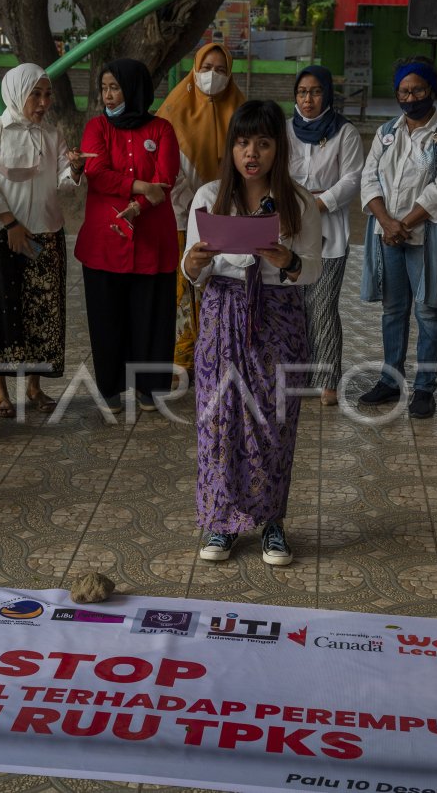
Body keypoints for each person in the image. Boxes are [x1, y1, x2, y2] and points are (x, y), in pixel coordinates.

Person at [181, 100, 323, 565]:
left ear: (278, 148)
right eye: (243, 142)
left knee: (273, 423)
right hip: (221, 317)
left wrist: (288, 262)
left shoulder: (298, 203)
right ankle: (220, 523)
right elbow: (191, 271)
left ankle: (272, 523)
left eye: (263, 142)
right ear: (231, 147)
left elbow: (312, 272)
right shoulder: (208, 197)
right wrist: (195, 264)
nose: (252, 152)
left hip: (278, 318)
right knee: (220, 421)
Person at [0, 63, 86, 417]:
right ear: (17, 92)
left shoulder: (51, 135)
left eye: (47, 94)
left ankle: (35, 386)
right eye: (36, 93)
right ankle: (0, 391)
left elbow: (62, 178)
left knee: (42, 311)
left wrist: (75, 169)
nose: (44, 101)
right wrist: (9, 223)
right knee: (0, 311)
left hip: (45, 233)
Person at [357, 58, 437, 417]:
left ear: (431, 90)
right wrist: (387, 222)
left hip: (425, 236)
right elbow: (369, 178)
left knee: (428, 311)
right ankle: (390, 380)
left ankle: (424, 389)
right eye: (404, 90)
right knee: (393, 309)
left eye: (417, 89)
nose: (410, 96)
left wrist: (405, 223)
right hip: (387, 236)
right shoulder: (387, 130)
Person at [74, 58, 179, 415]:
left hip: (152, 239)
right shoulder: (96, 128)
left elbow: (165, 180)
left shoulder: (162, 130)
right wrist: (138, 187)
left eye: (114, 87)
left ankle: (150, 388)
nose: (107, 94)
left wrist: (138, 205)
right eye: (104, 88)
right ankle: (110, 387)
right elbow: (97, 173)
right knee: (107, 315)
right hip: (105, 240)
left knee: (150, 314)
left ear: (134, 89)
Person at [156, 42, 246, 387]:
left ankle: (216, 355)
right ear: (195, 69)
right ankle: (182, 359)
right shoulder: (173, 110)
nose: (213, 76)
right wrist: (194, 203)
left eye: (221, 70)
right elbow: (164, 169)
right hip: (180, 216)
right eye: (206, 67)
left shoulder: (240, 108)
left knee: (219, 287)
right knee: (183, 288)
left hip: (228, 216)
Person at [286, 64, 362, 407]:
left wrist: (318, 203)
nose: (308, 99)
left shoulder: (344, 132)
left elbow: (352, 179)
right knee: (294, 304)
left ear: (327, 94)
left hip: (328, 225)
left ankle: (328, 378)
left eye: (315, 92)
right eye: (302, 92)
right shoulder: (285, 130)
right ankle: (298, 374)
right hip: (289, 228)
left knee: (322, 303)